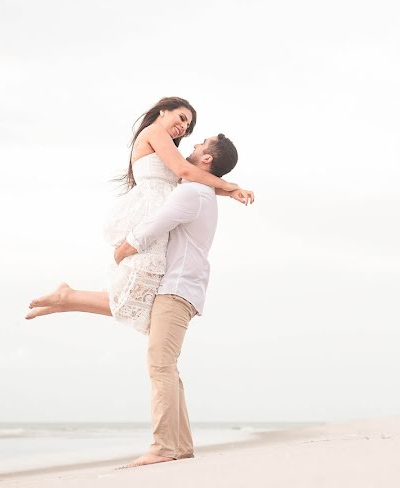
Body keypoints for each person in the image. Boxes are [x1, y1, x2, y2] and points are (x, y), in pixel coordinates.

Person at [30, 133, 242, 468]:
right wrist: (231, 188)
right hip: (180, 287)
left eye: (200, 144)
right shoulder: (200, 191)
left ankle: (163, 447)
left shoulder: (192, 193)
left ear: (207, 160)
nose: (193, 146)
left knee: (160, 365)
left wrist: (125, 248)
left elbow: (156, 223)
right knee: (164, 363)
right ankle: (179, 445)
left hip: (178, 288)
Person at [25, 97, 252, 333]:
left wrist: (230, 192)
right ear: (163, 111)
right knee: (138, 293)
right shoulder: (155, 131)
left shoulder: (167, 146)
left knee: (140, 296)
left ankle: (67, 300)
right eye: (182, 118)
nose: (184, 127)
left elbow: (190, 177)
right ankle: (67, 298)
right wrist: (230, 186)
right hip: (149, 210)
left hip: (157, 210)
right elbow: (185, 171)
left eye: (188, 126)